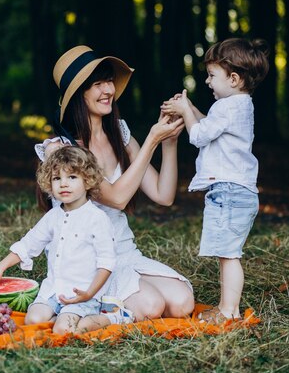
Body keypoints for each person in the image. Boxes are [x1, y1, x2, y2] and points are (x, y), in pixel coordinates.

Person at [35, 45, 195, 329]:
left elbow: (163, 195)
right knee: (152, 304)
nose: (108, 89)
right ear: (78, 95)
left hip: (122, 252)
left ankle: (115, 309)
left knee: (183, 303)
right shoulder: (62, 151)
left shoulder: (119, 134)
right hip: (86, 262)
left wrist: (168, 144)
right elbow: (118, 198)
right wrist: (152, 141)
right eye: (97, 84)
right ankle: (101, 317)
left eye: (109, 81)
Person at [160, 38, 269, 324]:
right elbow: (208, 126)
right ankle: (226, 307)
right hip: (237, 189)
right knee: (227, 253)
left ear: (233, 79)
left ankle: (228, 311)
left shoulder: (228, 106)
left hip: (229, 191)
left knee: (228, 255)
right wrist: (191, 108)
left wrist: (185, 112)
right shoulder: (238, 105)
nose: (207, 82)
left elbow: (198, 136)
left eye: (211, 75)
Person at [0, 146, 132, 334]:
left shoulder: (97, 219)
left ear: (88, 180)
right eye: (57, 178)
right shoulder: (53, 216)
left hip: (83, 294)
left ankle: (113, 317)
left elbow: (106, 263)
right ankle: (61, 317)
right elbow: (29, 244)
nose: (63, 184)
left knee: (66, 330)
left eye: (72, 177)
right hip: (53, 290)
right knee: (32, 320)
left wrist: (89, 294)